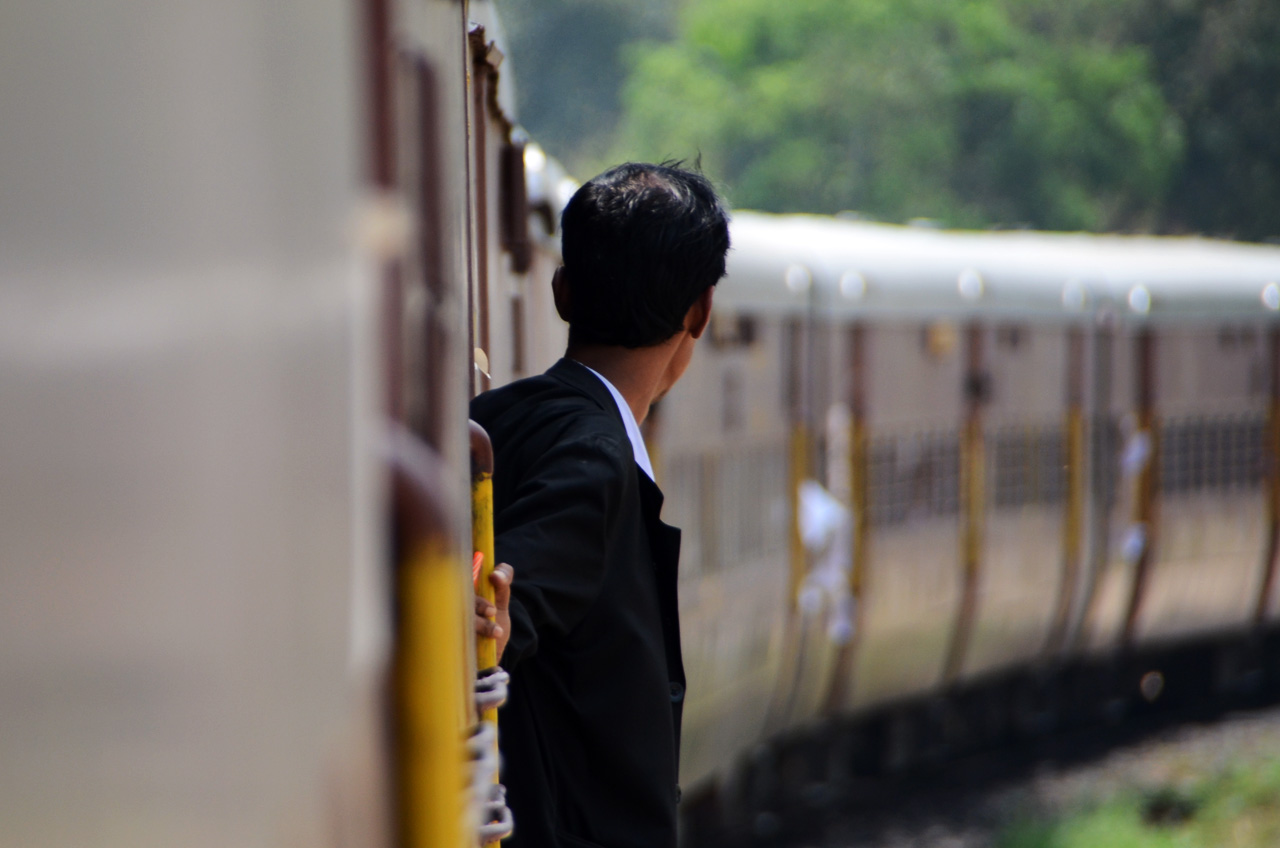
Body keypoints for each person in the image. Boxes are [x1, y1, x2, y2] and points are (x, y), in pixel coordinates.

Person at [469, 161, 730, 848]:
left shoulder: (494, 419)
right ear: (700, 311)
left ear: (562, 292)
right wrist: (494, 617)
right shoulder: (596, 459)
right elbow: (508, 599)